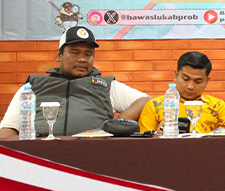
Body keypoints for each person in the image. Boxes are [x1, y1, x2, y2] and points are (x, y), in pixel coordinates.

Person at [0, 26, 149, 138]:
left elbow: (144, 100)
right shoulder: (33, 86)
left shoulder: (106, 85)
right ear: (59, 55)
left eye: (88, 54)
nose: (82, 59)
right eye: (75, 53)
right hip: (40, 156)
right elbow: (8, 128)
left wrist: (118, 123)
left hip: (94, 155)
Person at [138, 51, 225, 134]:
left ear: (207, 81)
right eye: (185, 79)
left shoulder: (218, 106)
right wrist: (158, 134)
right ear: (176, 76)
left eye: (198, 81)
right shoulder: (155, 106)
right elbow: (143, 142)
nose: (190, 86)